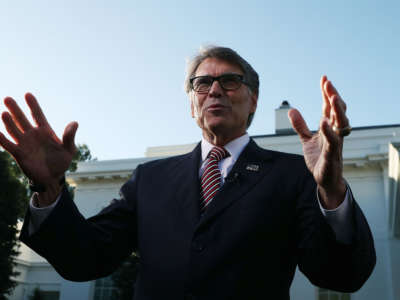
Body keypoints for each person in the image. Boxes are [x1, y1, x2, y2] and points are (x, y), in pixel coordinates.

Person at [0, 46, 375, 300]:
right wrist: (48, 187)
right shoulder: (149, 180)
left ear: (253, 100)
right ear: (191, 104)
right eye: (202, 83)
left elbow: (340, 276)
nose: (215, 90)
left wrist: (331, 191)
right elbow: (86, 259)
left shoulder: (294, 176)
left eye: (230, 81)